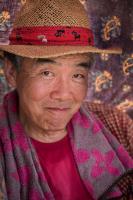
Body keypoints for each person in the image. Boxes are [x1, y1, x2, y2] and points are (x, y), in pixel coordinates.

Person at [0, 0, 133, 199]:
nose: (63, 94)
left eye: (77, 75)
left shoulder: (114, 123)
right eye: (46, 73)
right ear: (12, 72)